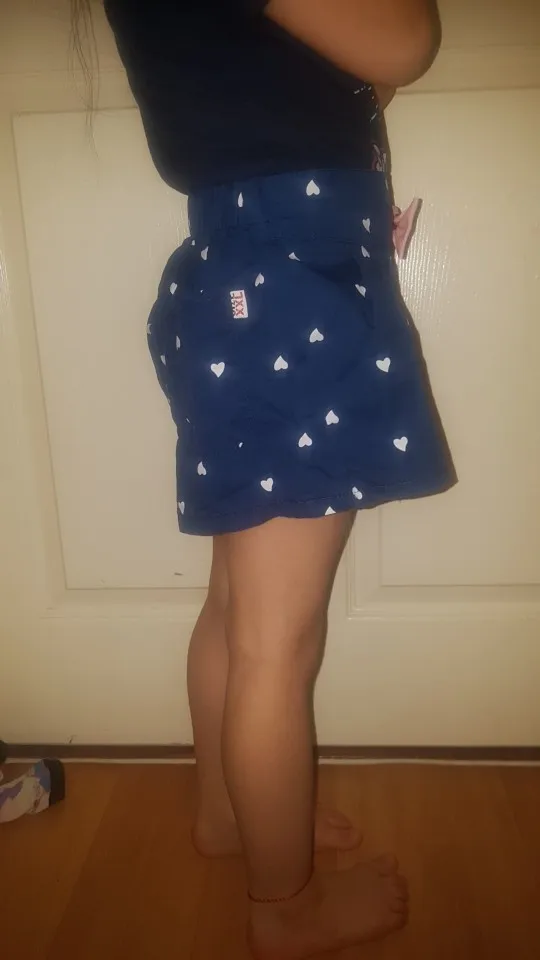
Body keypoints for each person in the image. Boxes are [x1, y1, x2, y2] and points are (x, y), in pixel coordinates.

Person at [74, 2, 456, 956]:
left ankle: (225, 812)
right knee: (274, 644)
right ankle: (283, 910)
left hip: (246, 271)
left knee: (239, 613)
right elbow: (403, 41)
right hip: (289, 279)